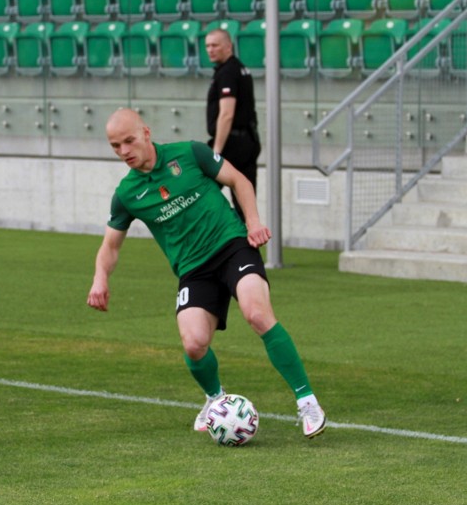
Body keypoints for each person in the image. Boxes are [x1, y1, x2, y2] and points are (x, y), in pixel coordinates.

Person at [87, 109, 326, 439]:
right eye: (116, 146)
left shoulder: (189, 152)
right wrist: (101, 278)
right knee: (194, 343)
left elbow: (238, 180)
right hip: (193, 269)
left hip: (231, 245)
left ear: (145, 132)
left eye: (129, 141)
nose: (124, 151)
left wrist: (253, 223)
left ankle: (307, 401)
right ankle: (215, 399)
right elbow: (110, 246)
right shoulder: (127, 194)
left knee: (256, 313)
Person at [204, 28, 260, 222]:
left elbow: (226, 114)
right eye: (207, 46)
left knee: (200, 196)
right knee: (244, 206)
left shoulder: (228, 72)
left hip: (232, 144)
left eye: (215, 45)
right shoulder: (238, 68)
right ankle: (247, 248)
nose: (210, 50)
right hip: (247, 141)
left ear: (228, 46)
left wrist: (216, 152)